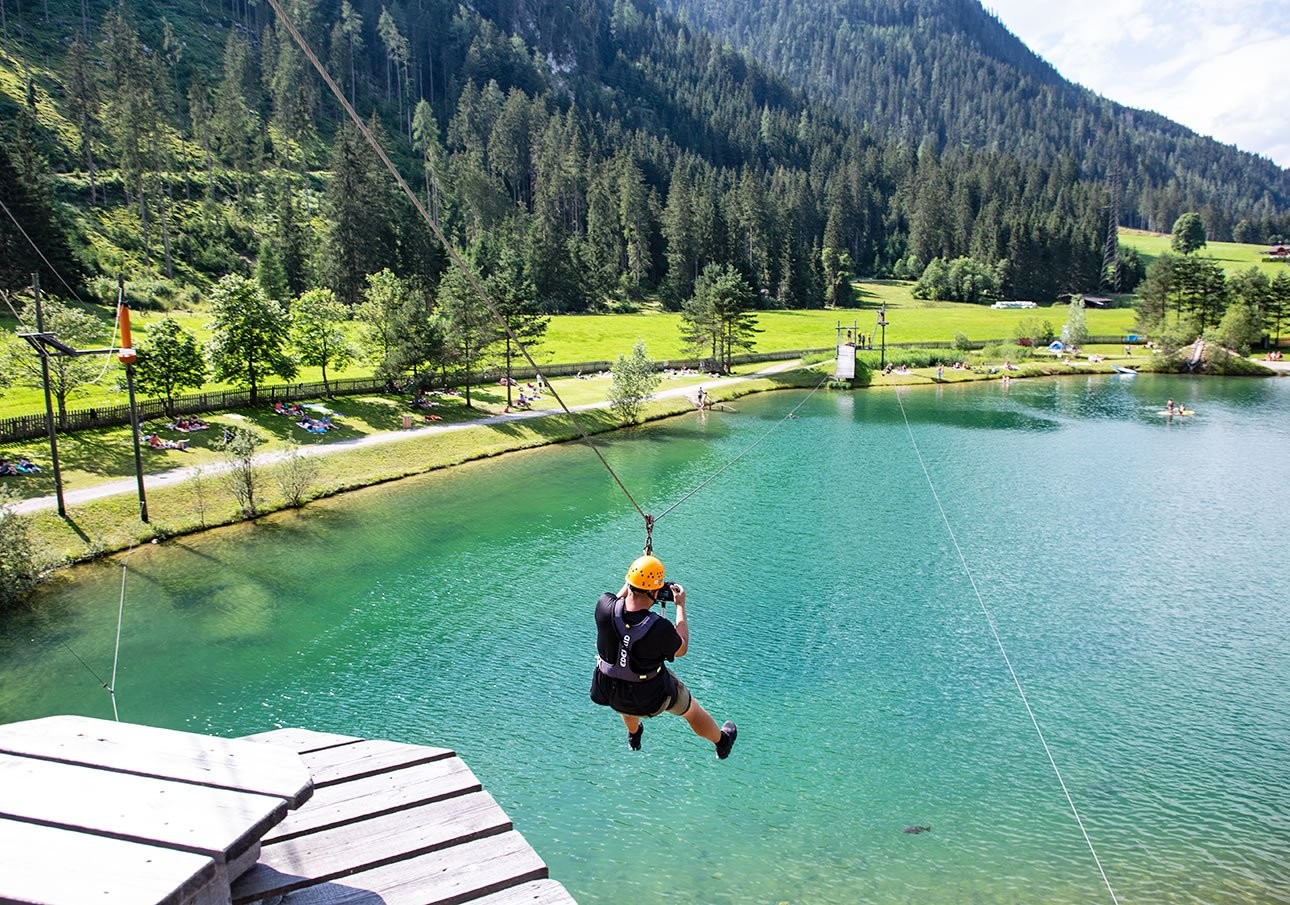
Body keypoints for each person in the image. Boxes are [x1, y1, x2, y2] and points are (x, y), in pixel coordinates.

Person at [591, 554, 737, 759]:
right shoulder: (658, 628)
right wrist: (680, 606)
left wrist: (638, 572)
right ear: (654, 591)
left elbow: (618, 599)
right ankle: (722, 742)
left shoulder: (603, 606)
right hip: (650, 698)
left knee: (624, 686)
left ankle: (634, 735)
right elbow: (682, 647)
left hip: (610, 691)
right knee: (692, 710)